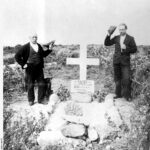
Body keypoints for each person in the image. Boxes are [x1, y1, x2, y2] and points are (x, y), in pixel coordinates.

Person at [15, 33, 55, 106]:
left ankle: (40, 100)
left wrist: (49, 49)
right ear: (29, 38)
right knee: (30, 85)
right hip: (29, 68)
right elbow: (17, 56)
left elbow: (43, 55)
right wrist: (23, 64)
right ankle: (31, 100)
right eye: (33, 37)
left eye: (36, 37)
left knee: (42, 84)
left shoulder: (39, 46)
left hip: (39, 68)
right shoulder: (25, 47)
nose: (35, 38)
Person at [104, 23, 137, 101]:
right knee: (117, 79)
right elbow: (107, 43)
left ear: (126, 29)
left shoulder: (130, 38)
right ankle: (118, 94)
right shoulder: (116, 38)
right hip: (116, 62)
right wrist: (108, 34)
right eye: (120, 29)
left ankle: (127, 96)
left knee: (126, 79)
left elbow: (134, 49)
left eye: (122, 29)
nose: (121, 31)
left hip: (125, 62)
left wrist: (126, 48)